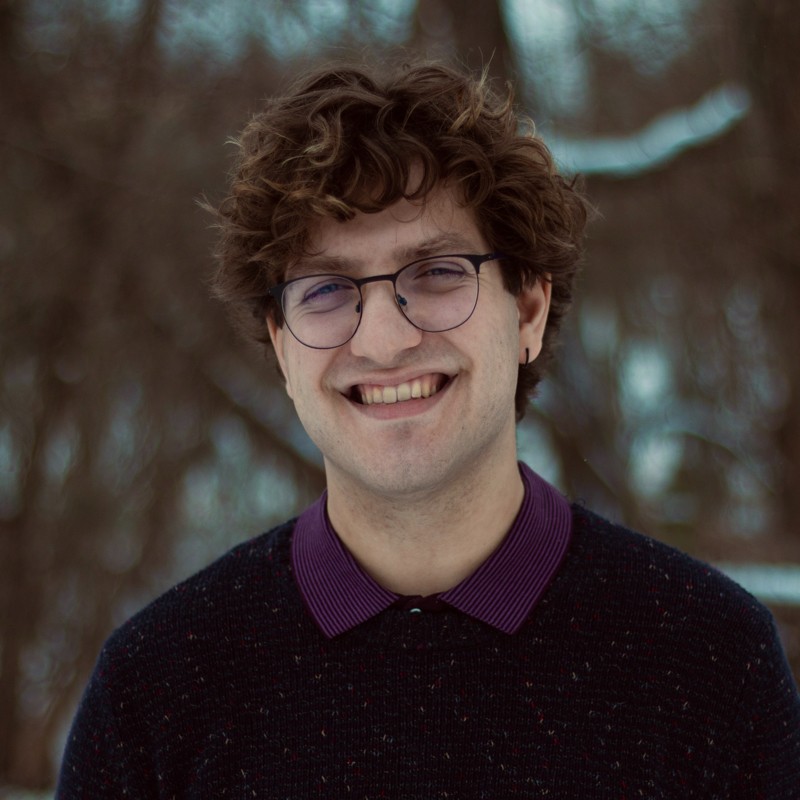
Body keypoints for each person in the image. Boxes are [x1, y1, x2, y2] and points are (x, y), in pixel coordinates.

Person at [57, 59, 800, 798]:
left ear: (529, 310)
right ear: (283, 346)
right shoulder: (156, 691)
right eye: (326, 289)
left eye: (438, 273)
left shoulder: (708, 661)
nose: (382, 341)